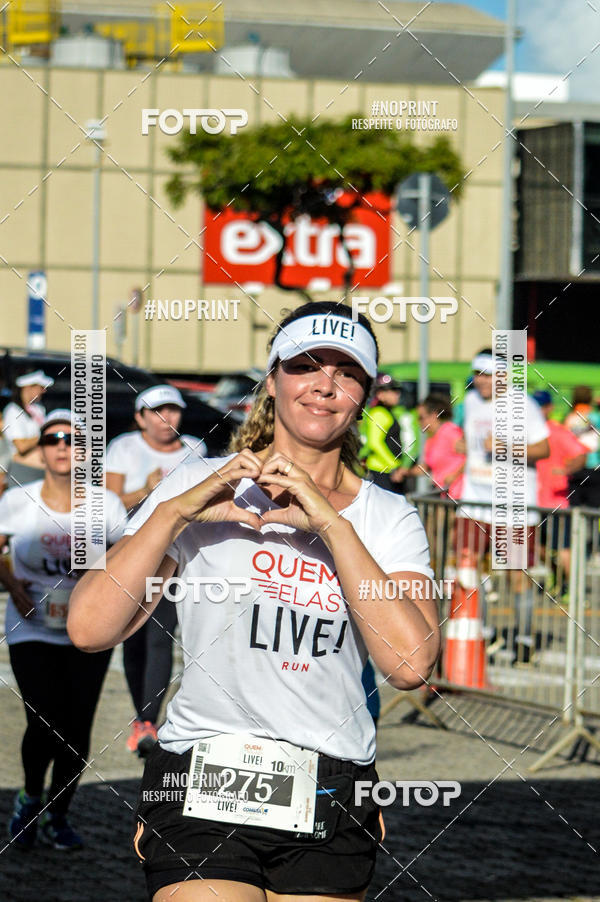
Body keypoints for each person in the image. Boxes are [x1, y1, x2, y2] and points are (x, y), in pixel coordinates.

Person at [69, 301, 440, 902]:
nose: (324, 385)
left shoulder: (388, 516)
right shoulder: (199, 484)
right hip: (202, 772)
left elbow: (410, 665)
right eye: (305, 366)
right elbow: (89, 628)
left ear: (365, 394)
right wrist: (173, 514)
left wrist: (334, 529)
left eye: (346, 372)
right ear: (272, 380)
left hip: (330, 779)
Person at [0, 410, 127, 850]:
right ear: (40, 449)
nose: (61, 446)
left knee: (77, 726)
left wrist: (99, 576)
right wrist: (12, 584)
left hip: (89, 629)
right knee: (42, 719)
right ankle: (29, 797)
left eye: (71, 440)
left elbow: (127, 554)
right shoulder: (17, 499)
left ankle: (58, 815)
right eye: (52, 438)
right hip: (32, 627)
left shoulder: (106, 504)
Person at [106, 384, 207, 757]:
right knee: (132, 637)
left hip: (173, 555)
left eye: (173, 410)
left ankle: (149, 720)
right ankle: (141, 716)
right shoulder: (124, 447)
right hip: (129, 553)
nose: (167, 419)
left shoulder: (195, 449)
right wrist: (147, 491)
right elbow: (109, 504)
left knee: (160, 635)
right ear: (140, 417)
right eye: (158, 411)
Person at [456, 349, 550, 664]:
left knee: (515, 573)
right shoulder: (471, 401)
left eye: (487, 375)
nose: (481, 381)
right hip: (474, 502)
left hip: (514, 505)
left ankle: (524, 640)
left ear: (503, 376)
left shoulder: (523, 404)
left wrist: (507, 448)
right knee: (469, 568)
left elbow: (544, 448)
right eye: (477, 374)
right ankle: (481, 634)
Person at [534, 389, 587, 589]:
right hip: (531, 500)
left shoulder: (557, 431)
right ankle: (558, 578)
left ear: (549, 408)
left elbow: (580, 454)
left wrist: (566, 469)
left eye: (540, 407)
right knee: (535, 547)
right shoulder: (524, 430)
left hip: (555, 502)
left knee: (563, 548)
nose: (536, 411)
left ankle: (574, 591)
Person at [397, 394, 465, 500]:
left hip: (459, 495)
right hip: (443, 494)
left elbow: (470, 456)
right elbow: (427, 467)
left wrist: (454, 475)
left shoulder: (450, 431)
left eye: (421, 418)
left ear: (433, 416)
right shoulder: (430, 439)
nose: (418, 422)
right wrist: (407, 472)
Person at [361, 373, 417, 493]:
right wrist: (394, 466)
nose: (397, 394)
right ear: (380, 394)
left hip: (386, 471)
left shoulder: (387, 412)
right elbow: (375, 443)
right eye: (393, 390)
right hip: (381, 471)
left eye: (397, 390)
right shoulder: (379, 413)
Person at [2, 370, 54, 483]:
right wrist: (47, 436)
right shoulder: (13, 411)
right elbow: (21, 446)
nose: (44, 391)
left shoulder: (38, 409)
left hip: (40, 472)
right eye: (41, 387)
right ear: (28, 387)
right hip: (23, 473)